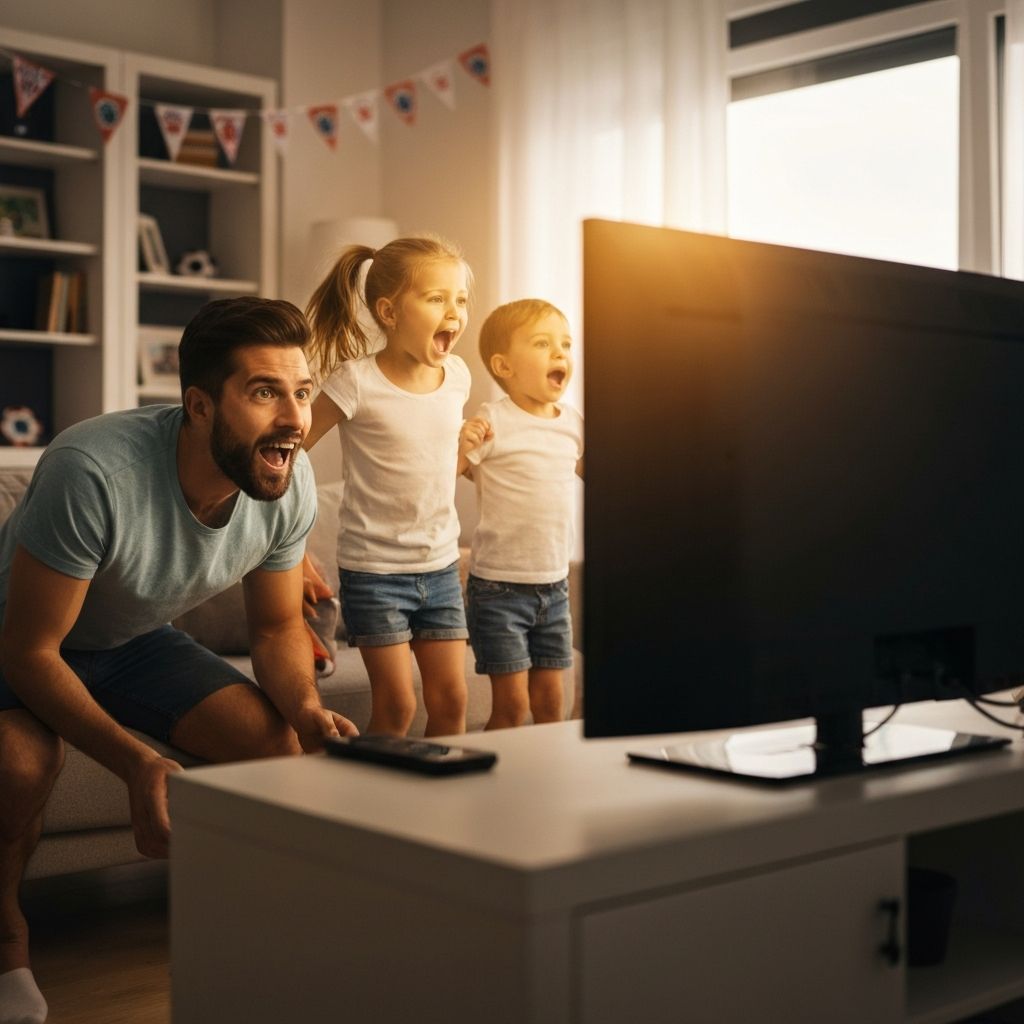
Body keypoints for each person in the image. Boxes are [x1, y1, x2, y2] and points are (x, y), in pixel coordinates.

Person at [0, 296, 357, 1024]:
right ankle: (6, 935)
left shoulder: (287, 480)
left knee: (274, 744)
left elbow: (279, 625)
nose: (294, 418)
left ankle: (244, 943)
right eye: (264, 392)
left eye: (302, 391)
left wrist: (308, 709)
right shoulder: (92, 469)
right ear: (198, 405)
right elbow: (31, 653)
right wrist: (137, 761)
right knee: (22, 764)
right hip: (18, 637)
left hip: (128, 640)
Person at [303, 236, 474, 738]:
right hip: (375, 572)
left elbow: (439, 465)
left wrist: (471, 448)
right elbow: (289, 456)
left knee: (451, 703)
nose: (454, 312)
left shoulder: (458, 375)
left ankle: (442, 811)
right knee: (397, 708)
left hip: (441, 568)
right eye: (436, 298)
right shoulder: (355, 381)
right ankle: (374, 809)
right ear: (389, 310)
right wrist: (288, 541)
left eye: (460, 299)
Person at [458, 299, 583, 730]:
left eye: (566, 344)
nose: (560, 354)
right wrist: (462, 443)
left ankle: (544, 790)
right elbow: (449, 473)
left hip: (555, 586)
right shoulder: (494, 419)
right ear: (504, 366)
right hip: (499, 590)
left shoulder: (573, 423)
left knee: (553, 709)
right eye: (543, 343)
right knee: (511, 711)